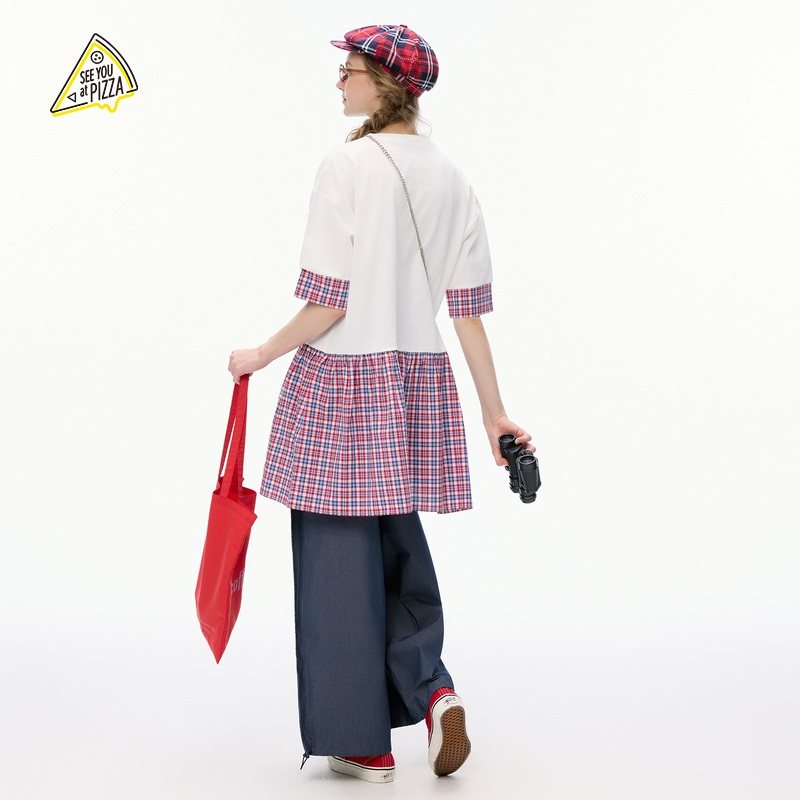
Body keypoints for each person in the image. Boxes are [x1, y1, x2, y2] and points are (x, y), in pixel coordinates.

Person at [227, 23, 536, 784]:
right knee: (397, 543)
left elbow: (328, 301)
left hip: (339, 384)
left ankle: (361, 743)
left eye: (351, 70)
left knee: (336, 563)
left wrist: (261, 353)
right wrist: (494, 414)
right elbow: (468, 314)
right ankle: (433, 689)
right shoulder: (455, 179)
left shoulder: (346, 166)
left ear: (386, 83)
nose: (339, 81)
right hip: (413, 386)